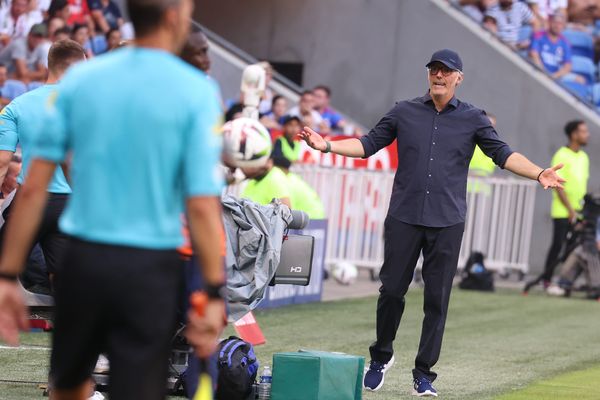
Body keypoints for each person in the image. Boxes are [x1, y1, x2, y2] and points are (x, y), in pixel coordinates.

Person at [300, 49, 565, 397]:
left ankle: (423, 373)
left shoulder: (474, 118)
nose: (438, 76)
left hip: (447, 220)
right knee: (391, 290)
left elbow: (502, 154)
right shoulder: (403, 111)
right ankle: (381, 357)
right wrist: (327, 146)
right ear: (428, 75)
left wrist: (538, 173)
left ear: (459, 77)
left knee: (437, 300)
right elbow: (367, 144)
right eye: (434, 70)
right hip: (404, 216)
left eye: (446, 71)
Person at [0, 1, 226, 400]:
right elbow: (202, 204)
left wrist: (7, 275)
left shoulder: (80, 83)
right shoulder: (196, 90)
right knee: (136, 389)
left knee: (68, 387)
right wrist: (211, 291)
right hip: (150, 264)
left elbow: (33, 188)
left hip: (84, 259)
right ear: (175, 16)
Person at [0, 39, 83, 289]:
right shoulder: (87, 107)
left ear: (49, 65)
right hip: (69, 202)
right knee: (63, 278)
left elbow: (3, 160)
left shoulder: (15, 106)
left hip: (31, 200)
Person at [540, 120, 590, 286]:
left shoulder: (584, 157)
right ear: (573, 134)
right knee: (557, 246)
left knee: (572, 249)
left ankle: (564, 282)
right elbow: (558, 186)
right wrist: (570, 210)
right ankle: (546, 280)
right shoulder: (561, 155)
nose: (586, 134)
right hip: (563, 211)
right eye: (583, 131)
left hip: (578, 211)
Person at [529, 12, 576, 82]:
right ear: (550, 22)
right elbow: (533, 54)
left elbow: (568, 66)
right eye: (555, 22)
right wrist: (543, 72)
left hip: (555, 75)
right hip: (538, 71)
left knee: (580, 80)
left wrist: (554, 76)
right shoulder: (538, 36)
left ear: (563, 26)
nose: (557, 26)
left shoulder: (565, 42)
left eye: (560, 24)